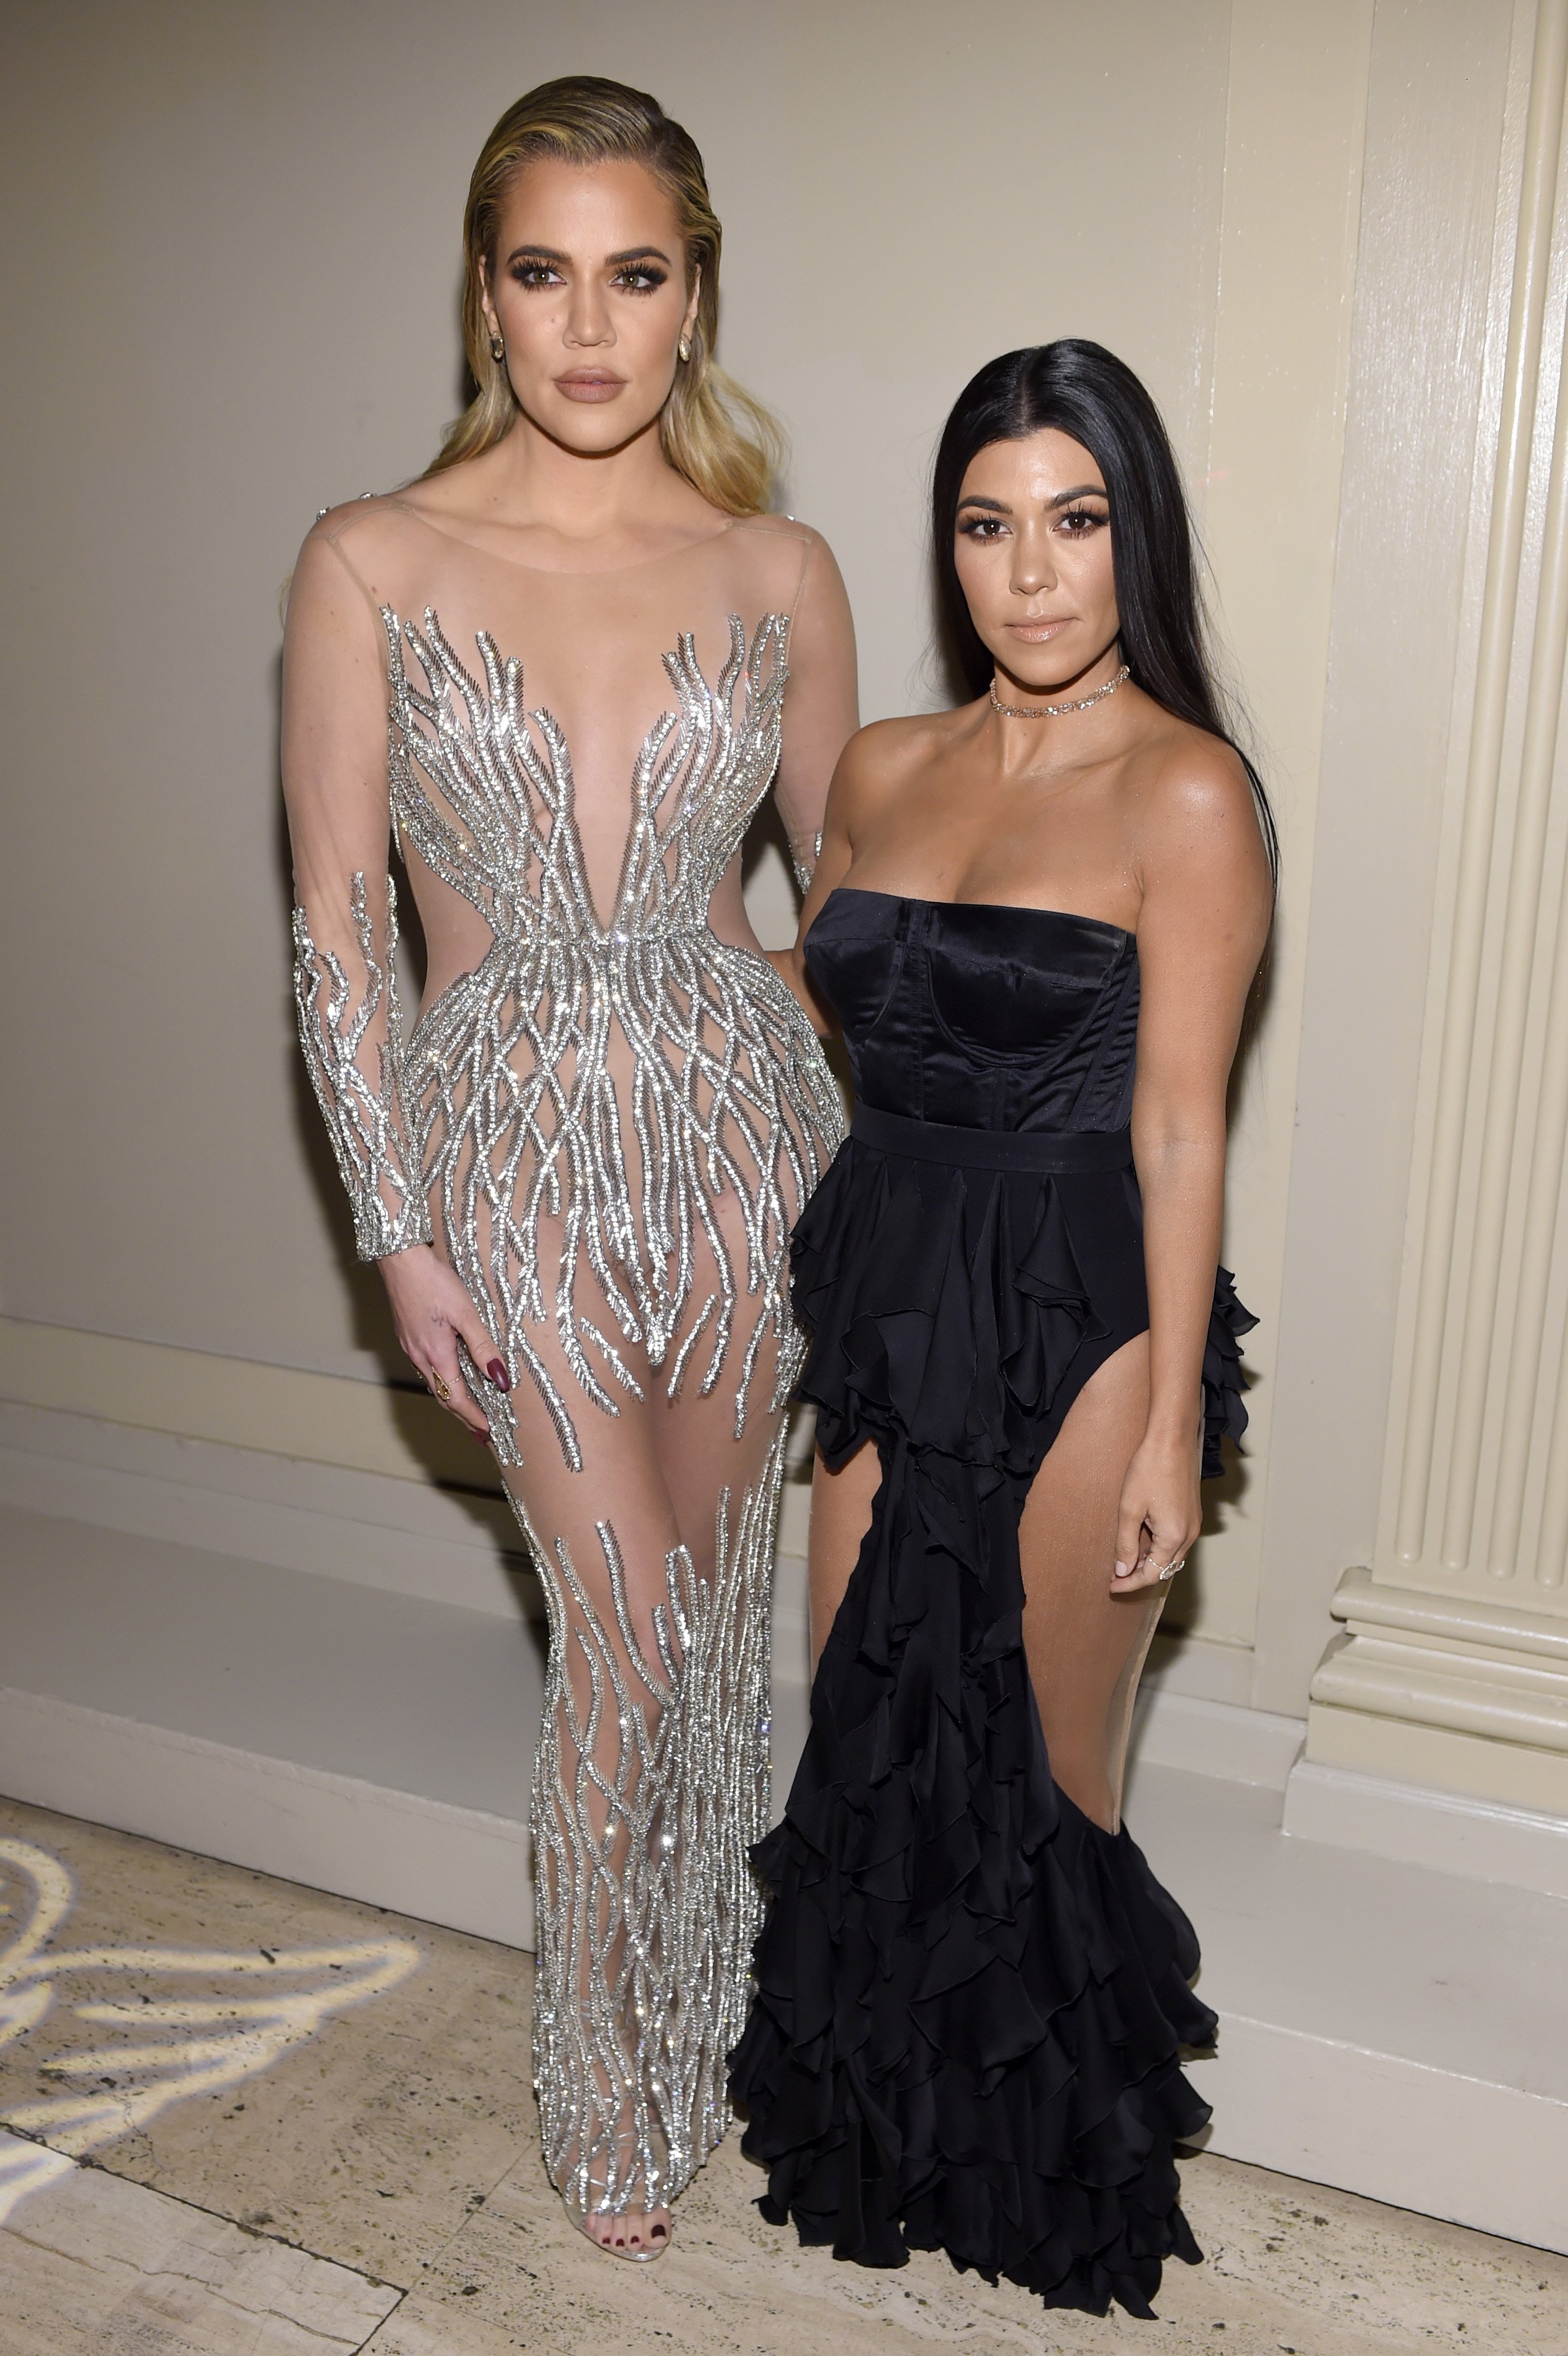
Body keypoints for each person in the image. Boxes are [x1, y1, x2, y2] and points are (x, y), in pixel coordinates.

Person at [281, 77, 856, 2261]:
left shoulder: (776, 568)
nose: (589, 326)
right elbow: (338, 918)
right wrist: (393, 1229)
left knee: (711, 1634)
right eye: (546, 275)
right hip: (498, 1163)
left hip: (740, 1164)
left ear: (693, 297)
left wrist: (848, 1111)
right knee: (618, 1626)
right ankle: (606, 2065)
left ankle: (709, 2004)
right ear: (486, 300)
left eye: (636, 275)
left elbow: (853, 909)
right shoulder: (372, 558)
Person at [730, 339, 1274, 2318]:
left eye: (1075, 519)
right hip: (887, 1285)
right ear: (948, 545)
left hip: (1078, 1311)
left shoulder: (1188, 791)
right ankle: (880, 2140)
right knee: (871, 1746)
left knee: (1044, 1792)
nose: (1030, 573)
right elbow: (837, 988)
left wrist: (1161, 1442)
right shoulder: (881, 763)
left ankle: (1046, 2186)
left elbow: (1184, 1120)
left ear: (1133, 539)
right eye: (987, 523)